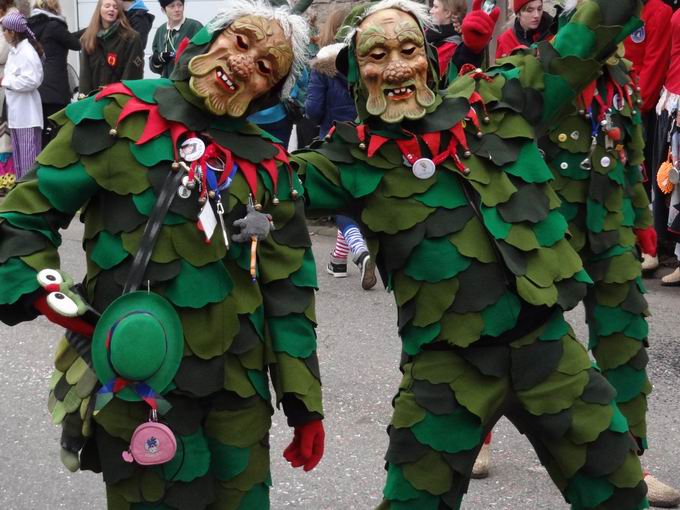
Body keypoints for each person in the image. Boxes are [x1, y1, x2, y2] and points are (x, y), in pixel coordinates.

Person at [293, 0, 650, 507]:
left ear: (431, 58)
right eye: (376, 55)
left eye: (408, 48)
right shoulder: (345, 159)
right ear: (353, 72)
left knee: (617, 491)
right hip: (445, 370)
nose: (396, 67)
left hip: (546, 347)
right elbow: (271, 182)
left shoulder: (496, 98)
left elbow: (583, 37)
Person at [0, 1, 325, 507]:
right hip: (138, 382)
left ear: (270, 91)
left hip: (239, 394)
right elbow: (23, 216)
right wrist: (44, 291)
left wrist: (305, 404)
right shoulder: (117, 114)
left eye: (266, 67)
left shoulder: (271, 163)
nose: (245, 64)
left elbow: (288, 290)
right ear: (209, 39)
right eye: (241, 42)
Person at [305, 5, 377, 290]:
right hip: (364, 135)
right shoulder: (364, 60)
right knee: (351, 198)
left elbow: (312, 109)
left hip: (333, 137)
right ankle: (337, 261)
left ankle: (359, 251)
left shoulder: (322, 66)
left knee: (338, 198)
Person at [624, 0, 673, 274]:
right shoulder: (624, 7)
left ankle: (650, 245)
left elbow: (655, 61)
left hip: (644, 106)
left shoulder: (658, 11)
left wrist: (635, 102)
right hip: (624, 99)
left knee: (645, 177)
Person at [28, 0, 81, 146]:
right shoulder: (54, 26)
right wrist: (94, 29)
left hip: (38, 86)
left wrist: (88, 29)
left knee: (43, 131)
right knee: (59, 132)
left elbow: (67, 37)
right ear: (54, 7)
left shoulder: (33, 26)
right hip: (55, 87)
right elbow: (76, 44)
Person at [1, 12, 43, 180]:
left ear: (13, 32)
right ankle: (21, 196)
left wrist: (6, 81)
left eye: (4, 30)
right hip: (18, 115)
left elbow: (33, 80)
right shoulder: (15, 52)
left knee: (28, 163)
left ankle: (29, 198)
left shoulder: (27, 52)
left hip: (27, 116)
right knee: (19, 162)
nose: (3, 33)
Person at [79, 0, 144, 96]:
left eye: (115, 7)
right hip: (93, 102)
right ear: (99, 10)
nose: (111, 9)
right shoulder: (88, 38)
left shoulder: (131, 38)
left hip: (118, 101)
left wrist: (122, 97)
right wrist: (84, 100)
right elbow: (85, 75)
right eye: (107, 6)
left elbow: (132, 75)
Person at [427, 0, 498, 80]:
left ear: (447, 13)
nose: (431, 11)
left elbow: (430, 74)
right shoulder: (433, 37)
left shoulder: (452, 45)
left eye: (435, 7)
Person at [149, 0, 202, 78]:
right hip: (166, 83)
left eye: (180, 5)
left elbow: (203, 57)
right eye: (172, 6)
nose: (177, 9)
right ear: (163, 10)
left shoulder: (194, 26)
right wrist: (156, 61)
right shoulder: (161, 30)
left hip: (186, 83)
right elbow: (156, 67)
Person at [0, 0, 17, 195]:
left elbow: (2, 53)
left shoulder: (9, 23)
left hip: (5, 85)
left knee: (5, 136)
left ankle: (6, 178)